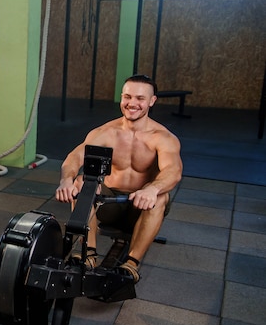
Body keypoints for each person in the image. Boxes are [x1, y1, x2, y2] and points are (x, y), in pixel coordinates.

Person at [55, 74, 183, 283]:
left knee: (161, 196)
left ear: (152, 101)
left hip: (140, 207)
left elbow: (173, 170)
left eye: (140, 99)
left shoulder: (163, 137)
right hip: (109, 204)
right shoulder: (106, 132)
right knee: (81, 182)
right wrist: (66, 180)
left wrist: (152, 189)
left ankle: (131, 264)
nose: (132, 104)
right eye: (128, 97)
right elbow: (74, 157)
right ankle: (88, 254)